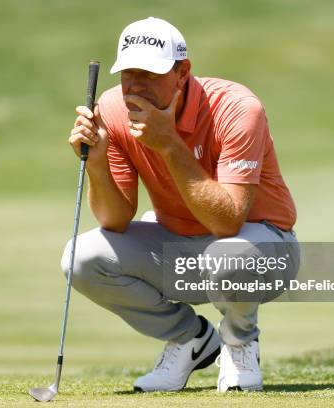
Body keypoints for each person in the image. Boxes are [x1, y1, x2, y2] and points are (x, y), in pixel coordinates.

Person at [65, 16, 299, 392]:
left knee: (229, 257)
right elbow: (116, 218)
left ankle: (240, 344)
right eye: (128, 73)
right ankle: (191, 338)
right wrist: (96, 163)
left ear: (182, 72)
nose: (136, 87)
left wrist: (170, 143)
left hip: (263, 248)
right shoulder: (113, 109)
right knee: (82, 258)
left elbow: (227, 223)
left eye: (150, 74)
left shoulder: (237, 108)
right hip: (183, 250)